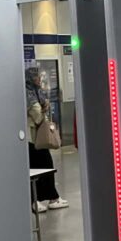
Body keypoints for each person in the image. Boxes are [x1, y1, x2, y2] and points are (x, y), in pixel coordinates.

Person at [26, 66, 68, 212]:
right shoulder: (28, 94)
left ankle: (50, 197)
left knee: (44, 168)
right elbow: (37, 116)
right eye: (36, 77)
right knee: (37, 169)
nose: (39, 79)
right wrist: (44, 108)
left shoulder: (37, 92)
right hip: (31, 139)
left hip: (37, 137)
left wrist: (44, 107)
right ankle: (38, 200)